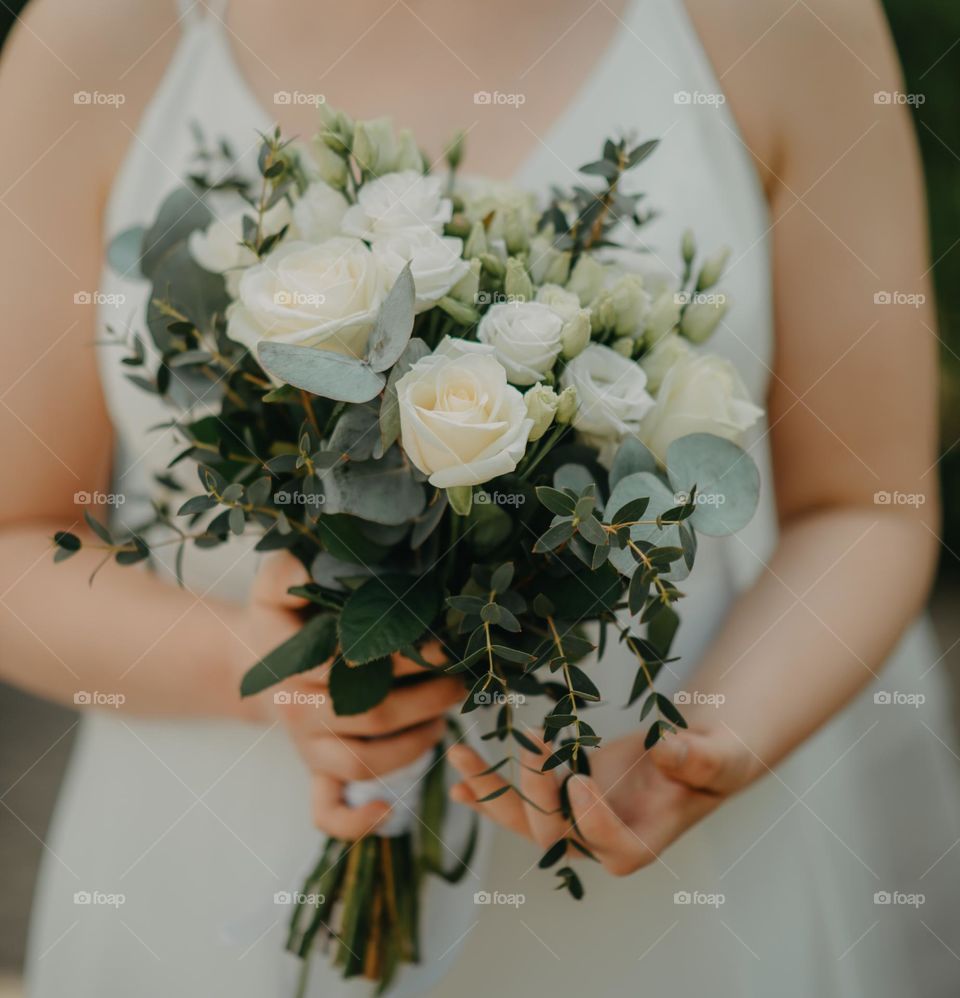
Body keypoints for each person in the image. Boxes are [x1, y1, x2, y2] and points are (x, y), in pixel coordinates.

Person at [0, 1, 955, 995]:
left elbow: (867, 503)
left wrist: (707, 737)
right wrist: (256, 662)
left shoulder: (785, 24)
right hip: (208, 865)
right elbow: (14, 534)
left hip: (651, 876)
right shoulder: (101, 35)